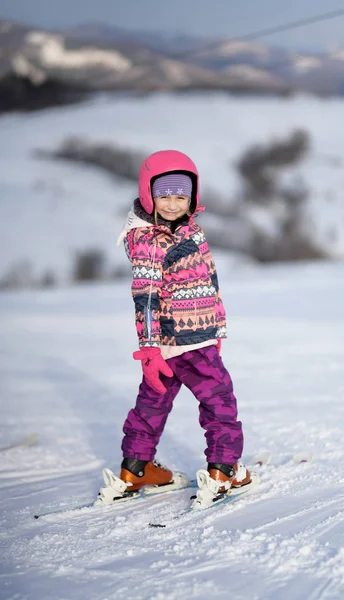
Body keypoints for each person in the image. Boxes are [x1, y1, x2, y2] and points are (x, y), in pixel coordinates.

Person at [116, 149, 252, 506]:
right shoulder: (150, 241)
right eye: (164, 196)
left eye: (181, 196)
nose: (173, 204)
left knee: (152, 403)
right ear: (149, 195)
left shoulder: (186, 230)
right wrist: (148, 349)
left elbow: (207, 281)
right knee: (219, 400)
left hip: (191, 336)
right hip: (182, 341)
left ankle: (136, 468)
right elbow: (144, 297)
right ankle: (224, 469)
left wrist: (215, 328)